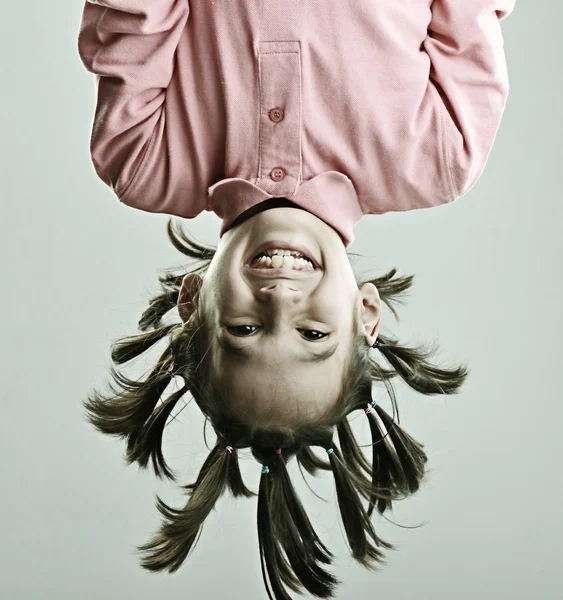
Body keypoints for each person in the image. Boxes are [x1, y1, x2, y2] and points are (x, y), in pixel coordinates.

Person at [77, 1, 516, 598]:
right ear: (365, 314)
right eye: (314, 336)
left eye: (243, 330)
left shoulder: (144, 156)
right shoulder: (442, 154)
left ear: (193, 300)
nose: (279, 301)